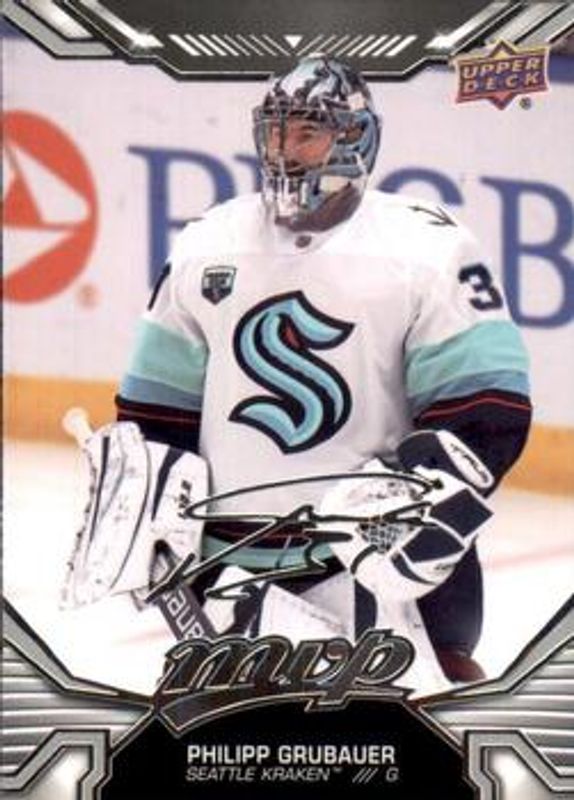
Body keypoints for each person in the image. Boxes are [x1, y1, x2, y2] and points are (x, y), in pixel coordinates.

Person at [69, 55, 532, 686]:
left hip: (381, 555)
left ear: (356, 137)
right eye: (276, 131)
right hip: (234, 559)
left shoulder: (428, 246)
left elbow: (487, 404)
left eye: (307, 132)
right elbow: (157, 405)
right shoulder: (208, 240)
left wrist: (426, 502)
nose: (285, 150)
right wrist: (146, 497)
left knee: (444, 696)